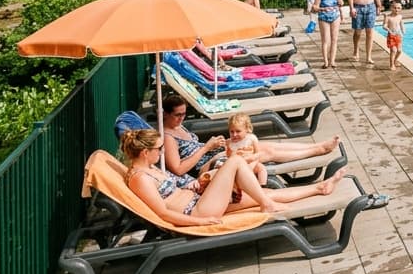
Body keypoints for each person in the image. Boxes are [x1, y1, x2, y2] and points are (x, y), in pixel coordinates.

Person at [121, 128, 346, 222]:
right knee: (236, 161)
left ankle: (319, 188)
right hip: (198, 211)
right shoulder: (140, 179)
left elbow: (177, 189)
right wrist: (201, 223)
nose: (161, 152)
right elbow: (163, 213)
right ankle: (265, 203)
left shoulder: (150, 169)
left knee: (266, 192)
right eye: (158, 149)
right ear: (144, 152)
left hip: (201, 199)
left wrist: (194, 185)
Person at [159, 95, 340, 177]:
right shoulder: (168, 137)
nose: (182, 118)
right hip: (207, 166)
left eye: (184, 114)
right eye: (178, 115)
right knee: (265, 154)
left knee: (263, 145)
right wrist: (207, 147)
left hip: (213, 153)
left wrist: (217, 144)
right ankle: (317, 150)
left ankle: (315, 147)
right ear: (165, 114)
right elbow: (179, 169)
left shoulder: (178, 127)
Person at [215, 113, 267, 187]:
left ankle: (262, 186)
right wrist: (229, 149)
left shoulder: (251, 139)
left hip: (250, 162)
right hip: (237, 165)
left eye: (238, 131)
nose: (234, 134)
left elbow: (258, 153)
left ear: (247, 129)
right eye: (231, 132)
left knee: (261, 168)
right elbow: (229, 156)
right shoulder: (229, 142)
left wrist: (252, 160)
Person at [347, 0, 379, 65]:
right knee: (358, 32)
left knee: (370, 32)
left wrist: (378, 5)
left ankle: (368, 56)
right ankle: (356, 50)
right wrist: (351, 7)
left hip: (370, 6)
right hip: (358, 6)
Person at [310, 0, 342, 68]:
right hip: (323, 17)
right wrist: (322, 9)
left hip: (335, 16)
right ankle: (325, 61)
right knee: (325, 40)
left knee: (334, 39)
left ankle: (332, 61)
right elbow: (315, 7)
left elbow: (341, 2)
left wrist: (341, 2)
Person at [382, 0, 406, 70]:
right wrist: (388, 29)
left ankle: (395, 60)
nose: (396, 9)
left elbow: (401, 24)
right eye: (395, 8)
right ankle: (391, 64)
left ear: (401, 9)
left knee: (399, 51)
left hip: (398, 35)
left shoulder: (400, 16)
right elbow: (384, 26)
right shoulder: (388, 17)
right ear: (391, 8)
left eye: (398, 8)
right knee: (393, 51)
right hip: (391, 36)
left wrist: (403, 30)